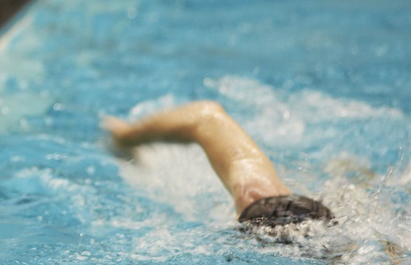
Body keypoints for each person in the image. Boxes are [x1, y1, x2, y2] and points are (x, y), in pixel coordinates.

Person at [104, 100, 334, 233]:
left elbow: (205, 115)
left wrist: (126, 137)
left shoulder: (254, 190)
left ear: (250, 196)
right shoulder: (350, 250)